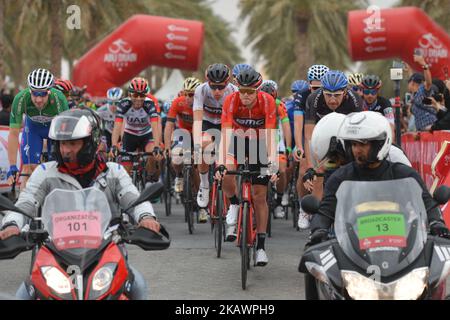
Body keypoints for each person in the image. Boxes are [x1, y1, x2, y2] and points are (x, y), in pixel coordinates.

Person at [0, 108, 160, 300]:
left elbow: (134, 200)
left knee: (138, 286)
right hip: (55, 256)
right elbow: (26, 203)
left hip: (106, 254)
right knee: (23, 294)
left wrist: (146, 217)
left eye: (73, 144)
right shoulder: (45, 172)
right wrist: (11, 225)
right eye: (62, 144)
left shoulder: (113, 172)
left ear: (90, 142)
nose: (66, 150)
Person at [307, 111, 449, 247]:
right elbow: (325, 212)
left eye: (362, 144)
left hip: (403, 244)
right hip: (352, 248)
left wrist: (437, 223)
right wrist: (318, 230)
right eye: (354, 144)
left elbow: (427, 204)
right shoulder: (339, 178)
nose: (356, 150)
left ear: (379, 144)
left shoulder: (406, 174)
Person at [215, 67, 278, 266]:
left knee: (259, 197)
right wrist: (221, 163)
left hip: (261, 143)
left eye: (250, 92)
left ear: (257, 90)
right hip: (238, 141)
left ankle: (260, 247)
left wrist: (272, 163)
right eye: (242, 91)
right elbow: (225, 133)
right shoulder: (231, 100)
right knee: (226, 175)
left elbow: (270, 135)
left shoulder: (267, 101)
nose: (246, 96)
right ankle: (234, 202)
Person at [300, 70, 363, 229]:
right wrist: (311, 167)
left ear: (346, 92)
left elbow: (359, 135)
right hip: (321, 139)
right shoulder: (314, 99)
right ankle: (317, 225)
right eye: (328, 95)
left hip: (346, 138)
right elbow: (309, 137)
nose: (332, 100)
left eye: (337, 95)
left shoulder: (355, 100)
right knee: (319, 175)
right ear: (322, 91)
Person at [303, 111, 412, 193]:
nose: (338, 164)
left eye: (360, 144)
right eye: (332, 161)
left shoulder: (394, 155)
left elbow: (413, 196)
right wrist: (320, 174)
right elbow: (323, 207)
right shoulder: (341, 173)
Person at [7, 68, 69, 190]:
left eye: (43, 94)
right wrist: (12, 165)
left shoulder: (59, 99)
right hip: (33, 130)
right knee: (29, 168)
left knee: (57, 168)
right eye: (35, 93)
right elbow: (13, 134)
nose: (38, 99)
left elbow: (65, 132)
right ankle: (26, 203)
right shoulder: (20, 99)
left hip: (54, 131)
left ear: (50, 91)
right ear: (29, 91)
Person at [192, 63, 238, 214]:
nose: (217, 91)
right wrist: (197, 144)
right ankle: (204, 185)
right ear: (208, 83)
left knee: (224, 159)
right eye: (213, 87)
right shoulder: (201, 90)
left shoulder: (234, 91)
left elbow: (234, 123)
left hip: (227, 125)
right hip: (207, 123)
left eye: (221, 87)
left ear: (227, 83)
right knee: (203, 145)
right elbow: (197, 121)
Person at [164, 77, 205, 222]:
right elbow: (169, 125)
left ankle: (202, 206)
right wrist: (167, 146)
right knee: (176, 158)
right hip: (182, 134)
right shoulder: (178, 102)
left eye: (192, 94)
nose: (188, 98)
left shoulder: (203, 104)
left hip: (199, 135)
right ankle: (179, 176)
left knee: (197, 168)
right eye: (186, 94)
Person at [110, 77, 162, 183]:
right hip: (129, 135)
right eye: (135, 95)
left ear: (145, 95)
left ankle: (150, 182)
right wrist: (114, 145)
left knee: (152, 155)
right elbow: (117, 126)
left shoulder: (150, 104)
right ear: (130, 94)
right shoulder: (123, 104)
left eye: (142, 95)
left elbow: (155, 126)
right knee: (126, 172)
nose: (138, 98)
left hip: (146, 135)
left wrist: (157, 146)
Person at [259, 80, 292, 219]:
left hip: (277, 142)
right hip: (260, 141)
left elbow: (286, 126)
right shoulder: (256, 103)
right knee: (260, 172)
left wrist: (289, 146)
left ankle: (278, 201)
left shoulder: (279, 105)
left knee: (282, 170)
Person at [407, 54, 437, 131]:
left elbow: (428, 82)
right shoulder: (414, 95)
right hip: (422, 132)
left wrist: (423, 64)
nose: (407, 84)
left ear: (413, 83)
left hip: (431, 130)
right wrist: (409, 69)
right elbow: (412, 77)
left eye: (408, 82)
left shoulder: (423, 90)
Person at [97, 87, 124, 151]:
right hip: (108, 133)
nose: (113, 106)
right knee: (101, 148)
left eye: (116, 103)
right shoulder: (102, 110)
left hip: (121, 133)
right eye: (111, 103)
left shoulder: (125, 109)